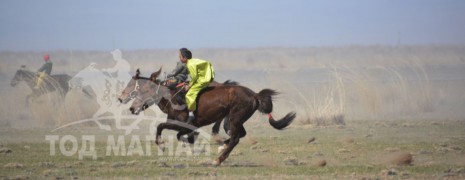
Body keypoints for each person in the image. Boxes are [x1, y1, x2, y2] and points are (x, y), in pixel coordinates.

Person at [179, 48, 215, 124]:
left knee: (189, 94)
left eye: (180, 57)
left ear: (185, 58)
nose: (179, 59)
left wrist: (189, 86)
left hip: (203, 79)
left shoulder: (189, 64)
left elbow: (194, 77)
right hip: (205, 76)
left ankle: (191, 114)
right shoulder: (192, 61)